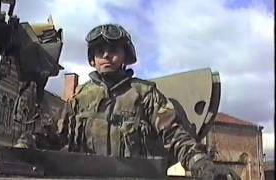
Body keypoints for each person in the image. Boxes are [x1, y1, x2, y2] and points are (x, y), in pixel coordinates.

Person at [16, 23, 240, 180]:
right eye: (99, 51)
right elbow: (52, 134)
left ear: (125, 56)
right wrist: (24, 146)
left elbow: (176, 136)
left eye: (113, 49)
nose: (106, 55)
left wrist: (201, 165)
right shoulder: (79, 98)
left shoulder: (144, 94)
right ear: (92, 59)